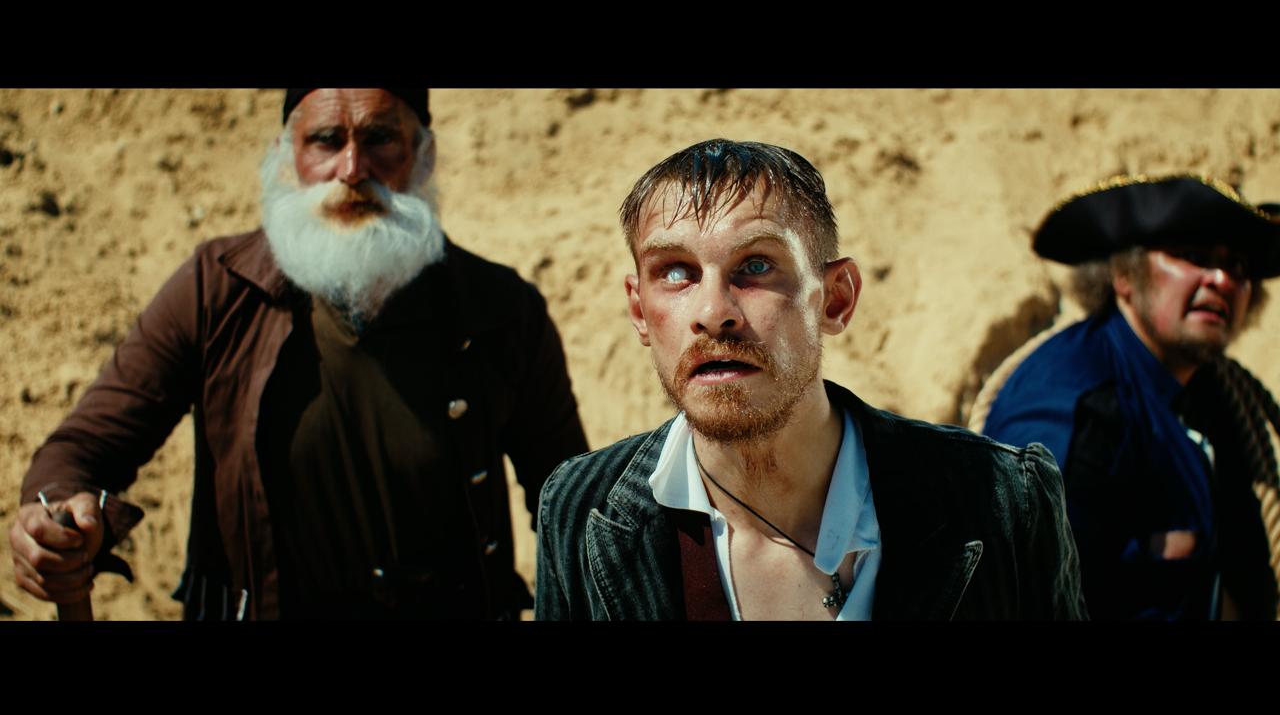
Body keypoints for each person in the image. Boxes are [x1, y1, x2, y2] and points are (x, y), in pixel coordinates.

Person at [9, 88, 588, 620]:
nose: (353, 169)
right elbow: (84, 449)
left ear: (424, 154)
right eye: (326, 141)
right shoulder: (217, 289)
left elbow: (574, 503)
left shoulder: (500, 309)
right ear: (288, 157)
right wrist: (57, 509)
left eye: (380, 138)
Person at [534, 139, 1085, 620]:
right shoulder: (581, 507)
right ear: (639, 311)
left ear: (835, 299)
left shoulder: (1002, 498)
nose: (713, 312)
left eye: (755, 266)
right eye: (675, 272)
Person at [980, 174, 1280, 620]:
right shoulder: (1075, 408)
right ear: (1125, 274)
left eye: (1238, 265)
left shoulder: (1205, 396)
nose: (1222, 280)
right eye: (1194, 256)